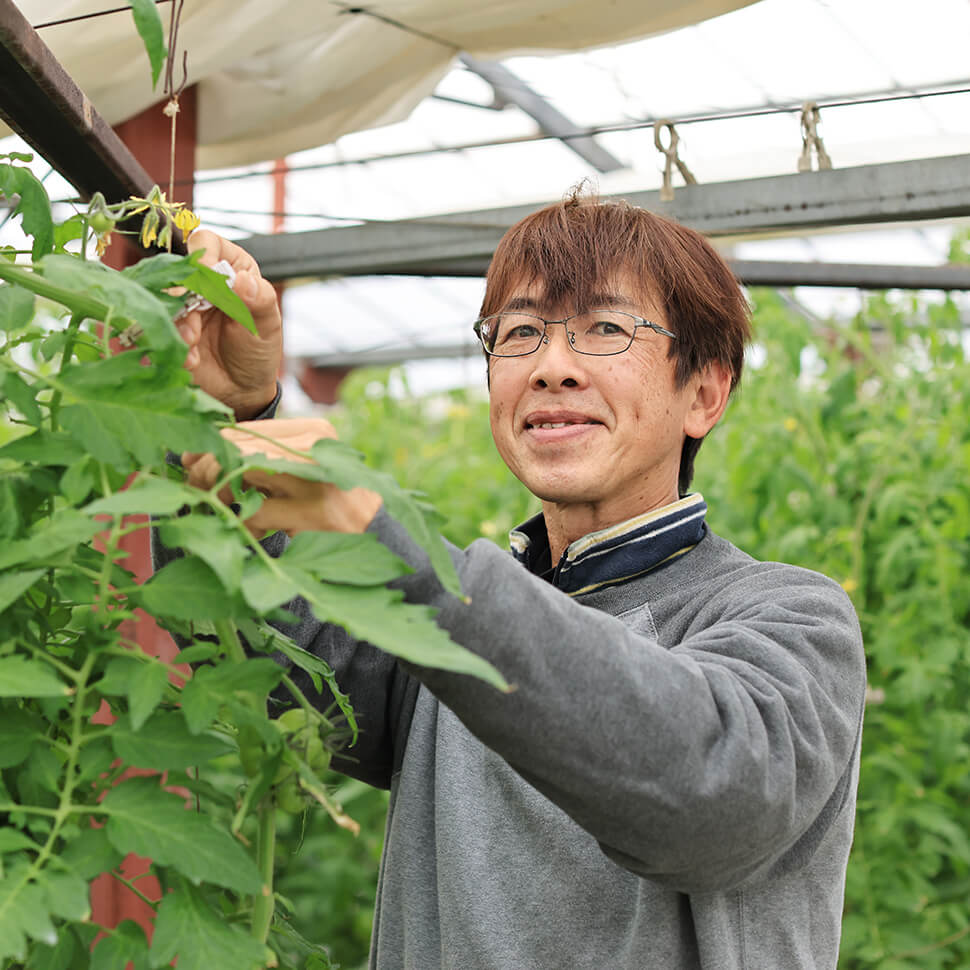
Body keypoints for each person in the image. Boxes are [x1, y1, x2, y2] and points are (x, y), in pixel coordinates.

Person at [169, 192, 866, 970]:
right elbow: (252, 638)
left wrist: (390, 541)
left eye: (606, 329)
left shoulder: (792, 618)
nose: (551, 368)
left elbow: (710, 797)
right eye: (522, 331)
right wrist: (217, 412)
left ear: (704, 392)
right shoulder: (443, 623)